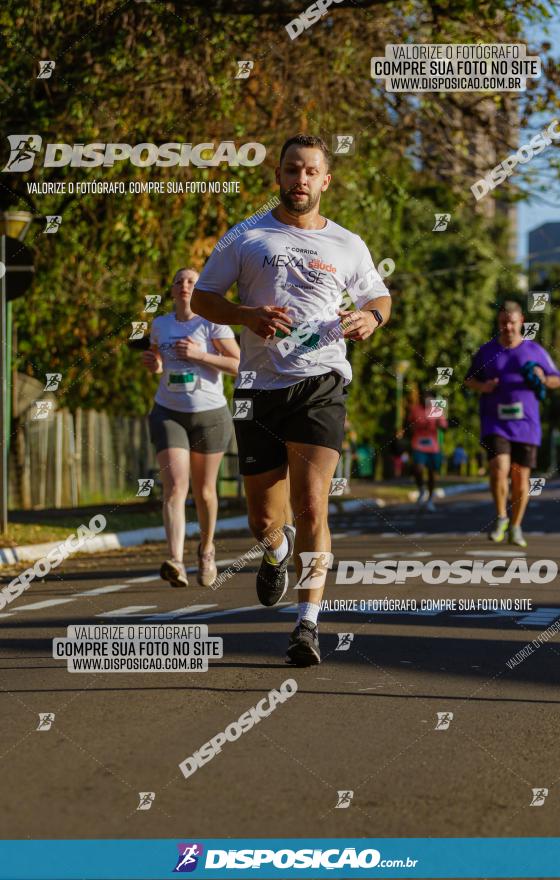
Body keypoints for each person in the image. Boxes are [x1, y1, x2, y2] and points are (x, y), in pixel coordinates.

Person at [191, 133, 391, 666]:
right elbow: (203, 297)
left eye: (310, 172)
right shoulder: (246, 236)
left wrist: (370, 317)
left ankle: (307, 625)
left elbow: (378, 297)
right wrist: (245, 316)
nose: (300, 180)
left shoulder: (349, 244)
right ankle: (275, 553)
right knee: (264, 519)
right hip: (257, 387)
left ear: (325, 180)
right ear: (277, 176)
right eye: (291, 170)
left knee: (311, 503)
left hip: (322, 381)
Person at [142, 268, 241, 587]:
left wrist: (200, 355)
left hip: (210, 416)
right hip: (168, 412)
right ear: (171, 290)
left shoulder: (211, 322)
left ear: (199, 291)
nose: (185, 285)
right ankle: (175, 560)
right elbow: (159, 359)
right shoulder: (160, 325)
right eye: (179, 281)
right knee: (174, 487)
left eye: (192, 282)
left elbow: (239, 365)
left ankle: (207, 550)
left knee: (205, 491)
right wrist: (155, 364)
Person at [464, 300, 560, 547]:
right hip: (495, 421)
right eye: (503, 323)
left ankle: (516, 526)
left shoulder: (535, 351)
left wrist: (542, 377)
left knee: (521, 478)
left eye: (512, 322)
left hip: (527, 424)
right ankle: (501, 517)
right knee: (499, 467)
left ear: (521, 323)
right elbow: (469, 380)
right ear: (499, 324)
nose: (507, 327)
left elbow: (556, 380)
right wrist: (482, 386)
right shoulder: (486, 351)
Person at [405, 385, 448, 512]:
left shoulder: (436, 409)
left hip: (433, 446)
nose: (427, 399)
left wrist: (441, 424)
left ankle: (430, 499)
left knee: (431, 474)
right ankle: (421, 489)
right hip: (418, 444)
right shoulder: (415, 409)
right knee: (418, 468)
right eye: (425, 397)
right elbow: (407, 424)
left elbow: (444, 427)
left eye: (430, 397)